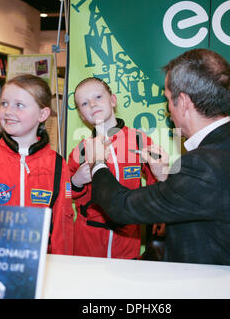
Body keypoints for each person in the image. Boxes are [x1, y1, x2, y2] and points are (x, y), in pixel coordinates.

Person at [86, 49, 230, 268]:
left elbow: (121, 207)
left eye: (167, 100)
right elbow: (201, 203)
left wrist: (97, 163)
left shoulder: (204, 164)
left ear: (183, 102)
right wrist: (166, 179)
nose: (168, 111)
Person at [0, 74, 74, 255]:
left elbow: (63, 225)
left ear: (42, 114)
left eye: (19, 105)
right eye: (4, 103)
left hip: (42, 262)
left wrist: (62, 267)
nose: (8, 111)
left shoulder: (58, 166)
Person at [68, 77, 167, 259]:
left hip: (127, 236)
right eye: (84, 103)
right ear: (81, 115)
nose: (92, 104)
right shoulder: (81, 149)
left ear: (113, 100)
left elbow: (156, 181)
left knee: (124, 285)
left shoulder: (139, 140)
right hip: (88, 238)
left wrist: (160, 215)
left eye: (98, 96)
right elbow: (66, 194)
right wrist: (76, 181)